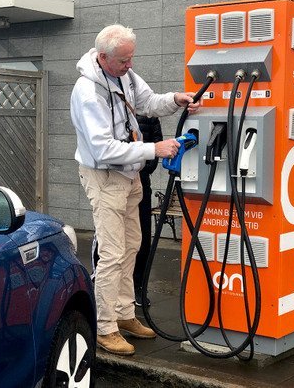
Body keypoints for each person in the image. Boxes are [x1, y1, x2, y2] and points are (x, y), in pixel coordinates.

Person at [70, 24, 200, 356]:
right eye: (124, 60)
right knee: (112, 253)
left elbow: (148, 102)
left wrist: (175, 99)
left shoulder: (123, 75)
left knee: (132, 246)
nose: (130, 65)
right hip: (105, 177)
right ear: (103, 57)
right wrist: (154, 149)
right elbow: (103, 149)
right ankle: (104, 327)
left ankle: (124, 313)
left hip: (130, 176)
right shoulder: (88, 92)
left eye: (131, 58)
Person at [90, 115, 162, 307]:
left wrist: (143, 167)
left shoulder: (150, 116)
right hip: (113, 179)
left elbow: (157, 145)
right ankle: (101, 284)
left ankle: (137, 286)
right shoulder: (111, 111)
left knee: (140, 237)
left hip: (140, 180)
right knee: (108, 236)